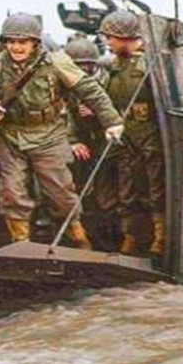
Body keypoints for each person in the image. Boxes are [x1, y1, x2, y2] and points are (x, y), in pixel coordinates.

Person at [0, 12, 123, 247]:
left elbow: (90, 90)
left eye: (22, 42)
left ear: (35, 42)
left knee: (61, 194)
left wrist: (112, 122)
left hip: (49, 135)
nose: (16, 47)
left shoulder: (56, 61)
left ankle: (78, 239)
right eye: (11, 41)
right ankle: (20, 244)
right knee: (11, 194)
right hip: (10, 135)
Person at [100, 10, 166, 256]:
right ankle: (132, 236)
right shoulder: (112, 66)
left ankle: (161, 237)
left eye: (110, 37)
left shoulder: (152, 62)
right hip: (124, 132)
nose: (108, 42)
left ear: (124, 36)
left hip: (150, 132)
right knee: (127, 188)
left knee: (156, 186)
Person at [63, 35, 117, 251]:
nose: (83, 69)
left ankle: (111, 236)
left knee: (107, 193)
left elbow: (121, 112)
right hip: (83, 143)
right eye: (78, 65)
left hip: (109, 143)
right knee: (79, 188)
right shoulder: (67, 84)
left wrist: (97, 114)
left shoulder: (110, 81)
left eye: (87, 65)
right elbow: (66, 116)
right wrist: (73, 141)